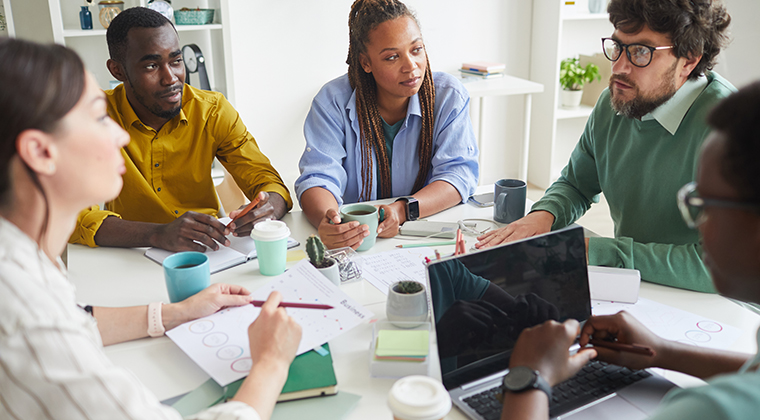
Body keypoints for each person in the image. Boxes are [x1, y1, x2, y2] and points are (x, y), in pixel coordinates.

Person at [0, 37, 302, 420]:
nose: (121, 136)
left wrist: (176, 313)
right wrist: (272, 362)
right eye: (97, 118)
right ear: (40, 152)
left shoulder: (23, 261)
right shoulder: (25, 316)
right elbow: (47, 327)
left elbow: (77, 318)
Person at [499, 81, 760, 420]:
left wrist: (529, 377)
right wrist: (661, 352)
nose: (697, 224)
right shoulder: (614, 105)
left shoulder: (712, 409)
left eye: (705, 206)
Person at [477, 0, 733, 293]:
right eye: (618, 46)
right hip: (639, 286)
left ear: (688, 61)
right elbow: (576, 183)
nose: (619, 67)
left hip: (718, 306)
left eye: (640, 52)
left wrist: (602, 253)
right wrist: (542, 216)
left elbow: (721, 265)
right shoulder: (615, 103)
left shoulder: (732, 131)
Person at [69, 7, 292, 252]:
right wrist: (157, 234)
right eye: (151, 66)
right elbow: (73, 214)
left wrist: (267, 207)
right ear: (117, 70)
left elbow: (268, 182)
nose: (171, 78)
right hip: (132, 252)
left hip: (210, 250)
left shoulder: (212, 110)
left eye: (176, 61)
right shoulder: (96, 117)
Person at [295, 0, 479, 250]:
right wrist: (328, 221)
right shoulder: (332, 102)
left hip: (422, 239)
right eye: (392, 57)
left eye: (417, 49)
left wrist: (403, 210)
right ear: (365, 63)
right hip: (359, 243)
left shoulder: (448, 97)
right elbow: (318, 177)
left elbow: (459, 175)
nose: (411, 66)